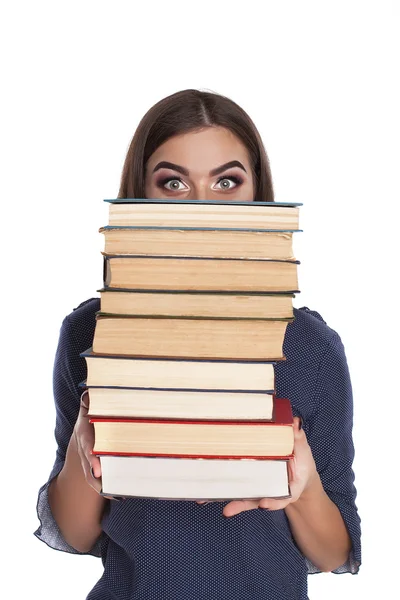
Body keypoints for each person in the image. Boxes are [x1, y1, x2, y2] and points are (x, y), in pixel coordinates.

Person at [34, 89, 361, 600]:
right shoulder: (89, 334)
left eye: (227, 182)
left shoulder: (310, 346)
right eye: (174, 183)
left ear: (257, 196)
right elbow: (76, 534)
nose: (202, 207)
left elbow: (335, 553)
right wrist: (82, 452)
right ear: (139, 195)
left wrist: (304, 490)